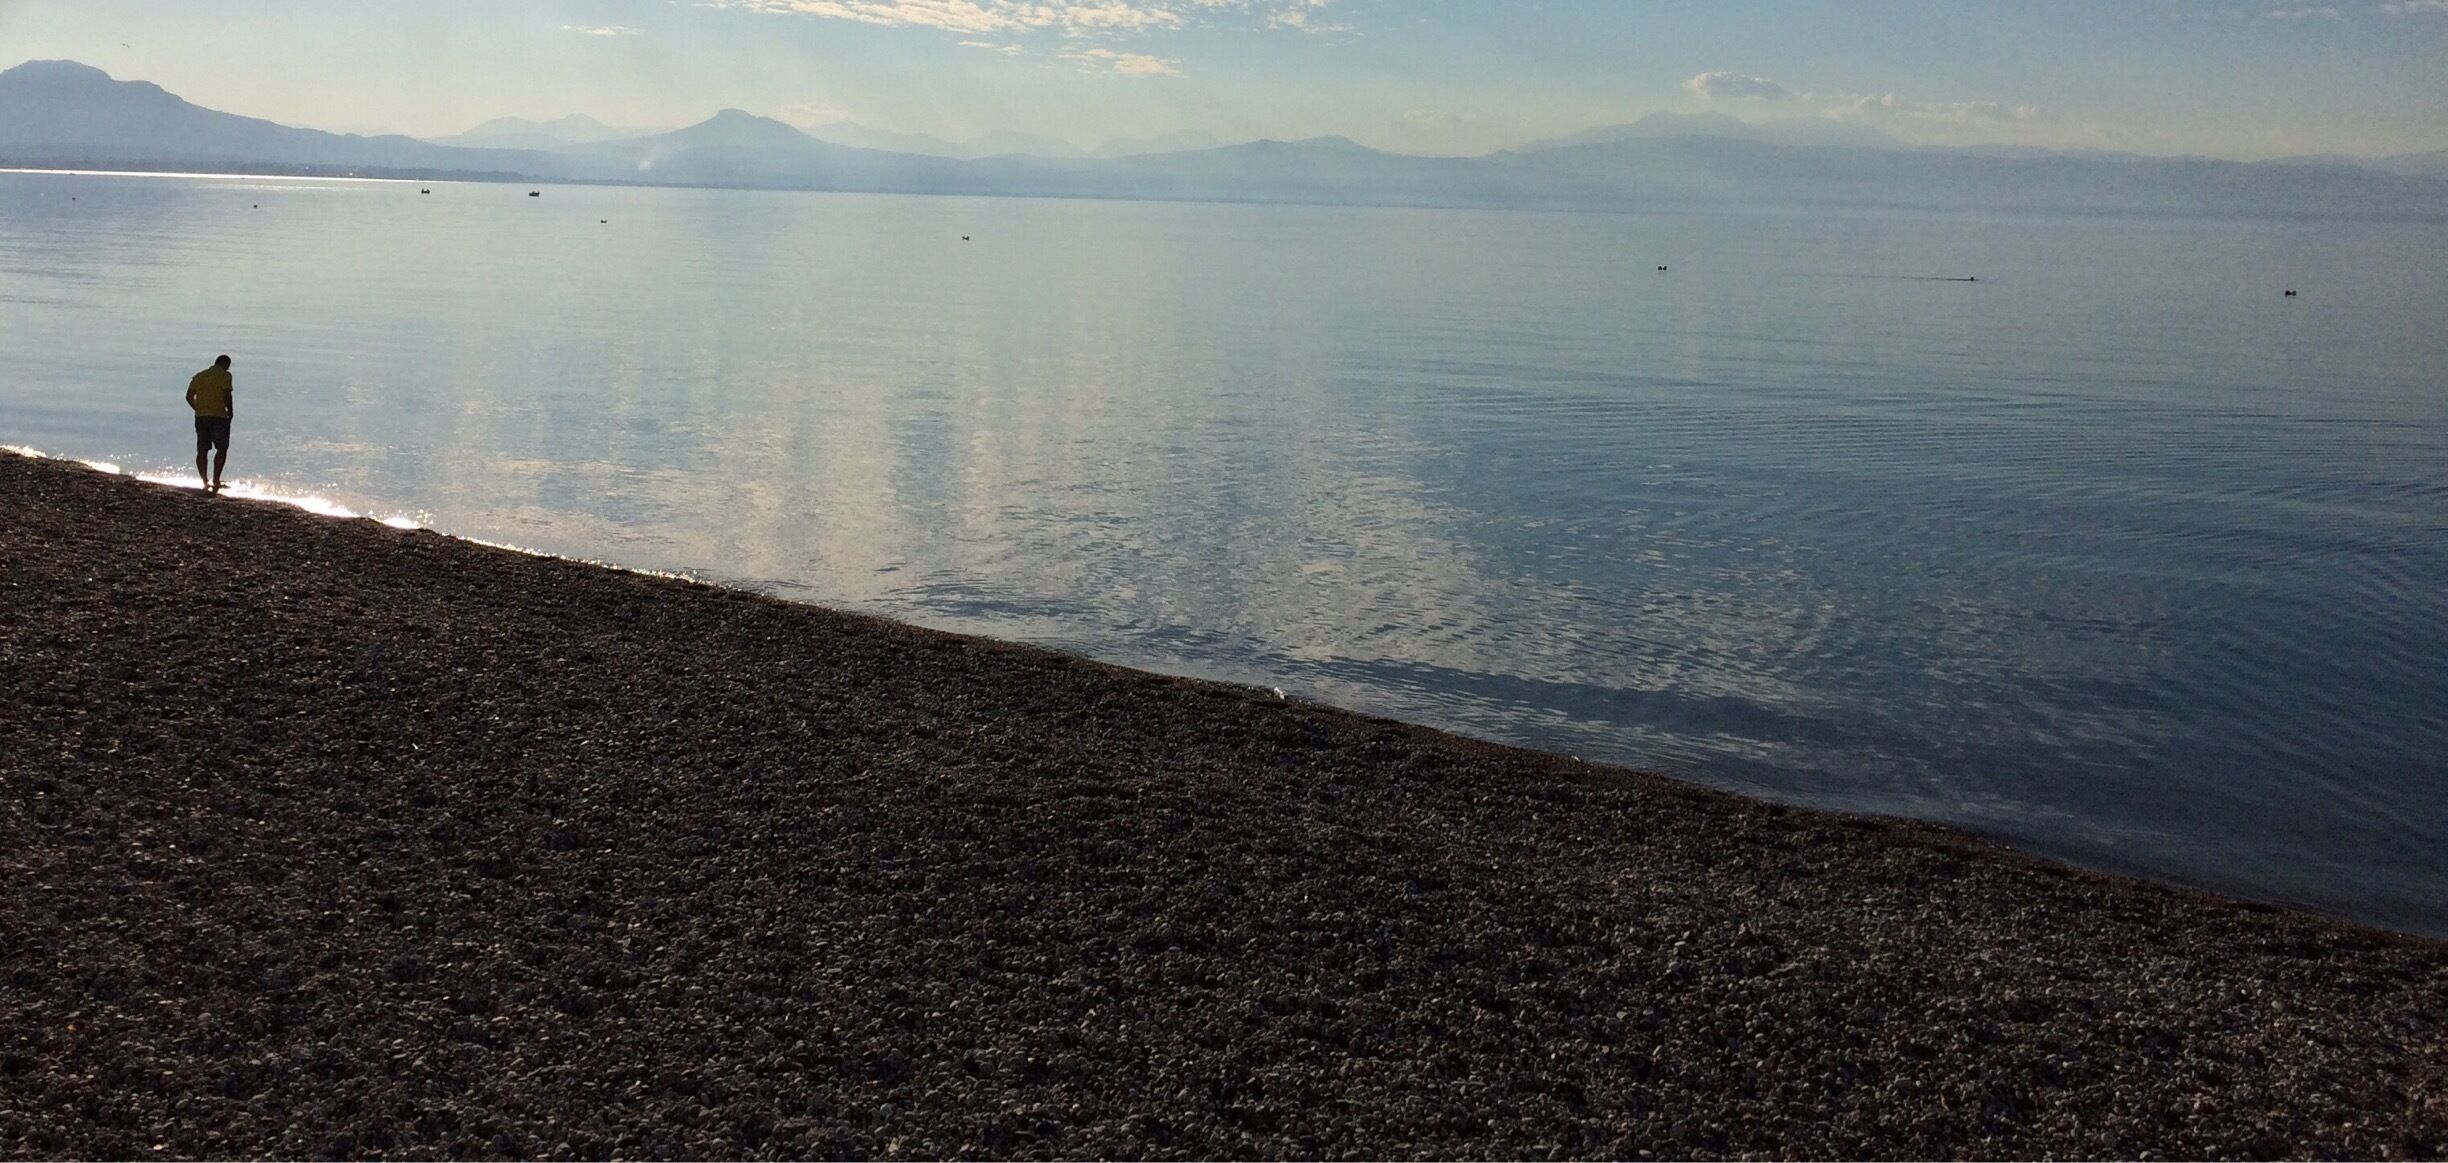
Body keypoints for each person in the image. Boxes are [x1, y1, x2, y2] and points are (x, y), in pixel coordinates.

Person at [186, 355, 234, 493]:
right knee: (222, 448)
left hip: (201, 417)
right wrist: (230, 411)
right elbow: (227, 395)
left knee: (202, 449)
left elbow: (188, 397)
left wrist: (197, 408)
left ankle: (204, 481)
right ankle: (216, 479)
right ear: (225, 363)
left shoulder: (199, 376)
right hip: (219, 416)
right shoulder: (225, 375)